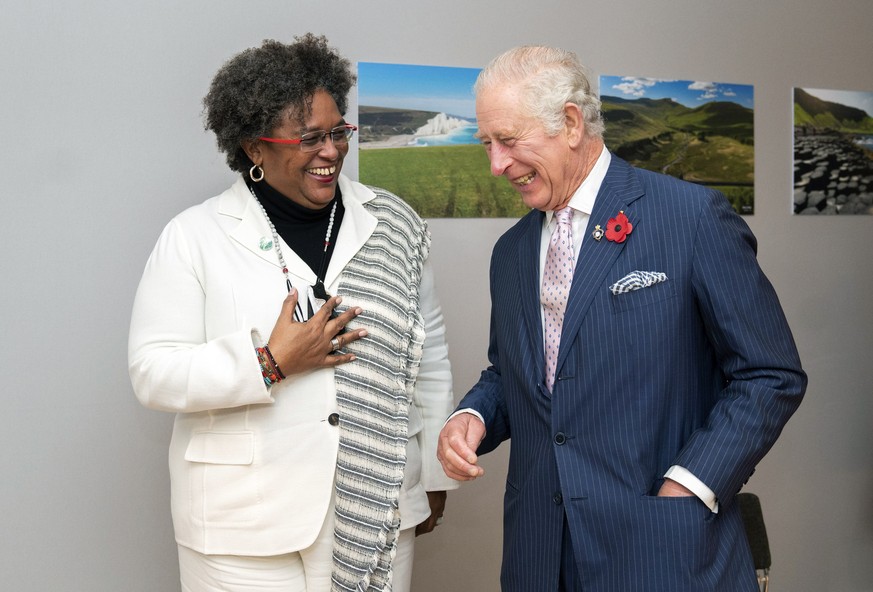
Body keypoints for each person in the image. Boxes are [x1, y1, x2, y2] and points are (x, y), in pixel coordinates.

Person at [437, 45, 806, 591]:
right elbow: (514, 372)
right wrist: (474, 416)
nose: (496, 165)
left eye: (509, 141)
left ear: (569, 123)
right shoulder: (511, 253)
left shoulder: (690, 217)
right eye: (487, 144)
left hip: (664, 549)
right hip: (540, 556)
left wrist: (690, 482)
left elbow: (771, 373)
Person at [128, 34, 457, 592]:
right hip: (243, 526)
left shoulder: (393, 224)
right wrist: (268, 362)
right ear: (256, 147)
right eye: (309, 138)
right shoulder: (195, 236)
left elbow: (429, 355)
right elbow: (152, 372)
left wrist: (432, 474)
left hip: (377, 506)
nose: (331, 150)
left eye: (338, 132)